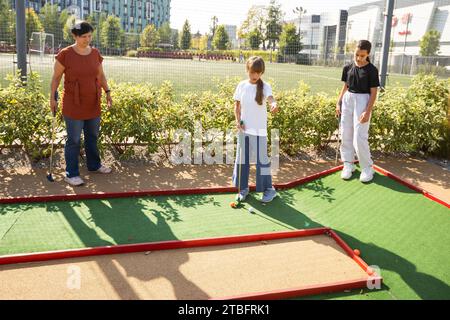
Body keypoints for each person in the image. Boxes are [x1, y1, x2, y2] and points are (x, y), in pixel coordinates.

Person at [50, 21, 112, 186]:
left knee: (92, 137)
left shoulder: (95, 53)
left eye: (90, 36)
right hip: (73, 103)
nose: (87, 39)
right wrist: (52, 98)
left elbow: (101, 75)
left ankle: (94, 165)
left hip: (93, 101)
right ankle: (71, 173)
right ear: (75, 36)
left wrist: (107, 92)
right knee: (74, 140)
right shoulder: (65, 54)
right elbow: (56, 77)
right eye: (84, 36)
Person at [233, 56, 279, 203]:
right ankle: (243, 189)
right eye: (252, 72)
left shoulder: (265, 86)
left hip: (259, 131)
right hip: (244, 130)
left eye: (258, 73)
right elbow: (237, 106)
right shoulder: (241, 85)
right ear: (248, 70)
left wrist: (273, 104)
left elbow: (271, 98)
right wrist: (238, 122)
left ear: (261, 73)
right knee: (242, 161)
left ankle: (269, 190)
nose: (255, 75)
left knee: (262, 162)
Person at [336, 40, 380, 183]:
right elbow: (346, 87)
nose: (359, 58)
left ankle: (367, 168)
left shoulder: (372, 70)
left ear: (368, 54)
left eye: (362, 55)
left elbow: (373, 93)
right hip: (348, 100)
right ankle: (348, 164)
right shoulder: (348, 67)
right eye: (356, 54)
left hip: (363, 101)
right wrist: (338, 102)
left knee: (359, 137)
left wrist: (367, 111)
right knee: (346, 133)